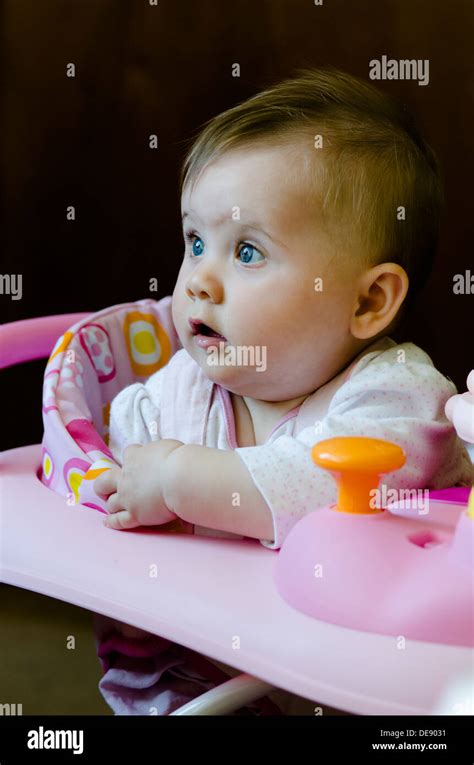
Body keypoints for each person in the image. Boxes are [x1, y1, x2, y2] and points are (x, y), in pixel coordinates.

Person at [93, 67, 472, 715]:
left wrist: (181, 480)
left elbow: (332, 488)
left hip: (361, 674)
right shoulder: (185, 385)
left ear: (369, 300)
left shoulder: (397, 397)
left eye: (246, 252)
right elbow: (121, 472)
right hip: (210, 662)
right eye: (195, 241)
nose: (200, 282)